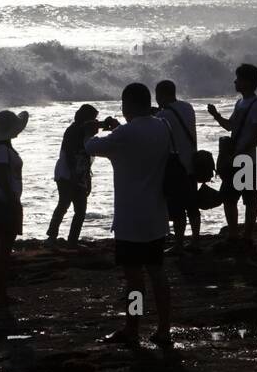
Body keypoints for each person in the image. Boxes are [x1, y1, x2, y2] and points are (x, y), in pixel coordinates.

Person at [85, 83, 173, 347]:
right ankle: (164, 328)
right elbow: (132, 138)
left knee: (134, 279)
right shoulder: (162, 126)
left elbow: (91, 147)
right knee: (158, 274)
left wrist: (91, 129)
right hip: (157, 213)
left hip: (130, 218)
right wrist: (118, 130)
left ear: (127, 105)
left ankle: (132, 328)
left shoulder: (125, 133)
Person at [208, 63, 257, 252]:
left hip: (246, 158)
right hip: (238, 156)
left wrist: (239, 153)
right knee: (229, 197)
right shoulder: (240, 103)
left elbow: (255, 136)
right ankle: (234, 235)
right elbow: (231, 126)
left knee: (248, 199)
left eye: (239, 78)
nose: (235, 81)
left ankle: (246, 237)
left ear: (248, 82)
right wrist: (216, 115)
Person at [0, 109, 28, 322]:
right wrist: (12, 200)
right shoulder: (1, 149)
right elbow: (1, 175)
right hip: (3, 202)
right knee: (3, 252)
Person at [154, 80, 202, 254]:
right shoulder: (188, 107)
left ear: (161, 95)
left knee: (177, 207)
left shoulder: (162, 116)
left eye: (158, 96)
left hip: (176, 167)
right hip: (192, 164)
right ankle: (196, 239)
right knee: (192, 205)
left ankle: (179, 243)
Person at [47, 104, 100, 247]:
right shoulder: (73, 131)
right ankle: (51, 237)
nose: (95, 123)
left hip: (80, 175)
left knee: (81, 210)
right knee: (63, 205)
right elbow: (69, 155)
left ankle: (73, 240)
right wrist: (73, 175)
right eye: (93, 119)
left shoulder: (86, 133)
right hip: (66, 174)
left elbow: (87, 160)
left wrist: (87, 179)